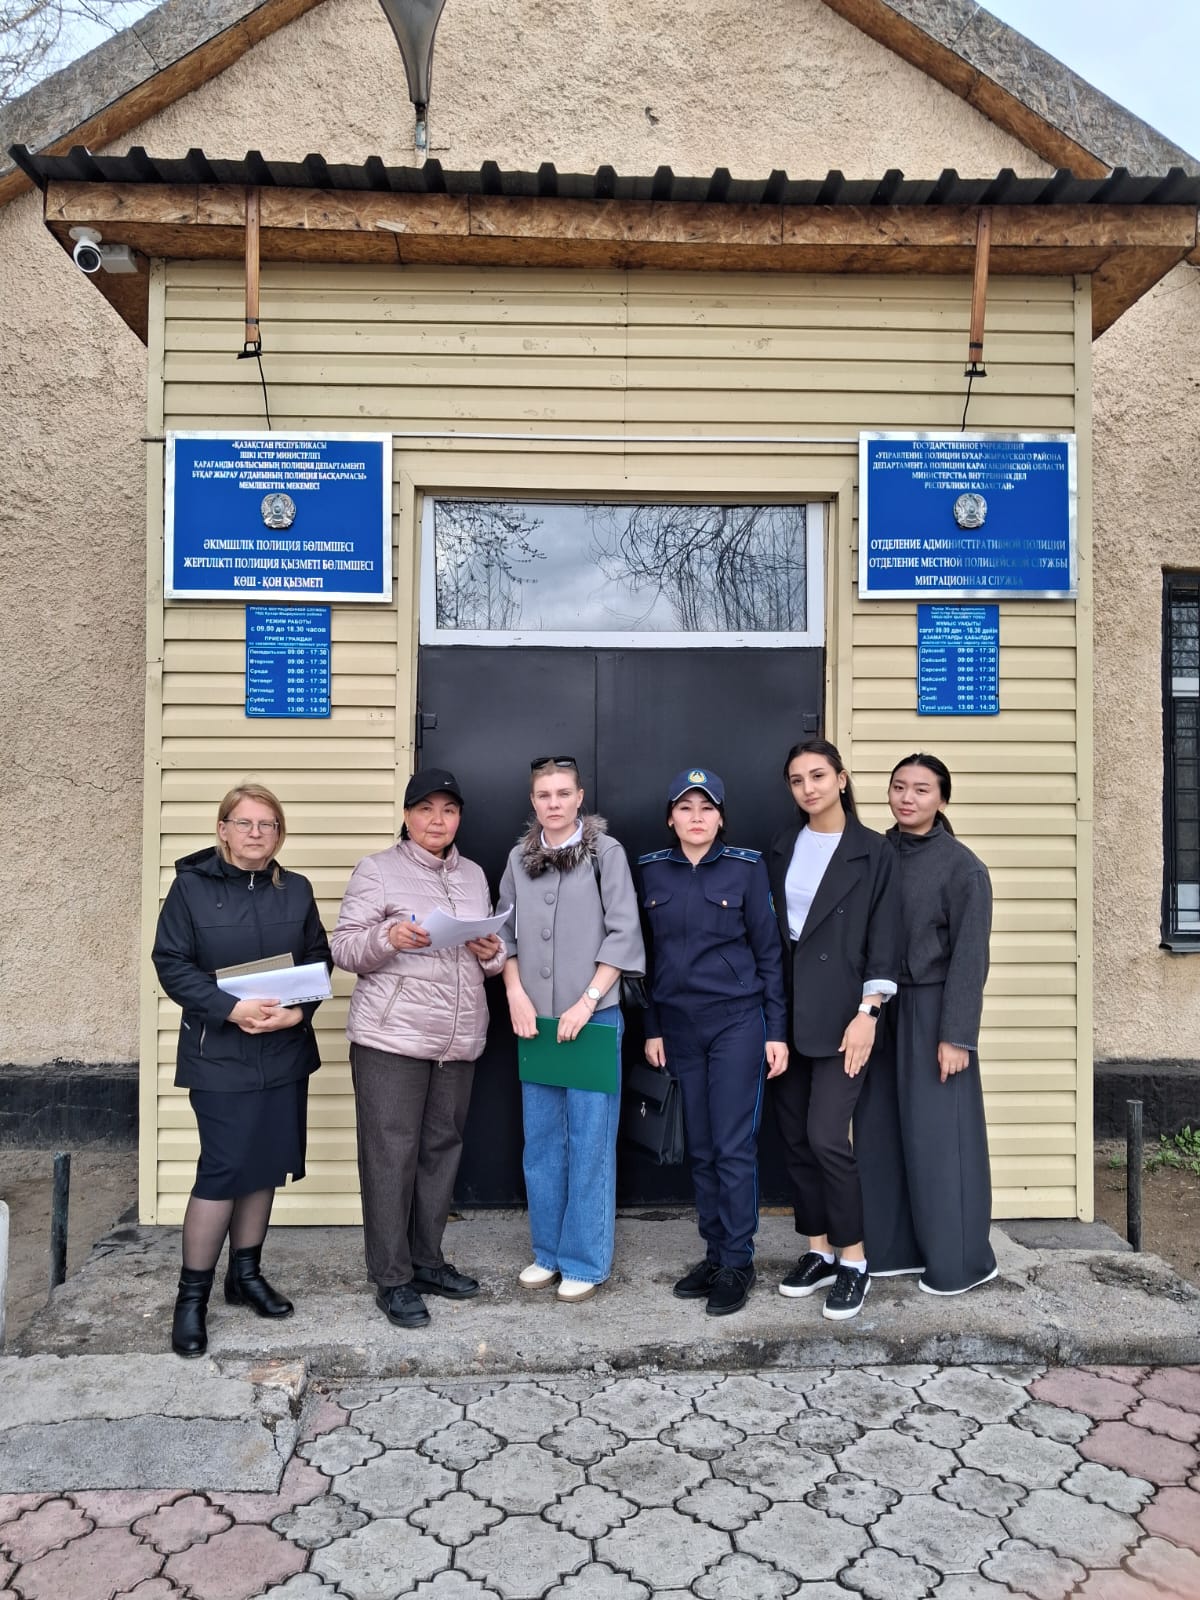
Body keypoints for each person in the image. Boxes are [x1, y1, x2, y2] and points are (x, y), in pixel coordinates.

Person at [152, 783, 331, 1358]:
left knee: (266, 1163)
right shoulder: (190, 889)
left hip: (283, 1052)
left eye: (267, 824)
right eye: (245, 823)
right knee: (223, 1168)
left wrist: (298, 1013)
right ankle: (191, 1299)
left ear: (279, 834)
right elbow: (171, 963)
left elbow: (318, 959)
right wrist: (231, 1009)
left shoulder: (296, 890)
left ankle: (245, 1275)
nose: (256, 833)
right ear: (223, 829)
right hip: (219, 1054)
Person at [331, 768, 507, 1329]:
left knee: (441, 1151)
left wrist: (492, 952)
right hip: (392, 1038)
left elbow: (496, 959)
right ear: (407, 816)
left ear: (459, 818)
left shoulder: (474, 874)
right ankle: (392, 1277)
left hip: (457, 1038)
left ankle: (427, 1261)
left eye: (448, 810)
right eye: (426, 809)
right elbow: (344, 948)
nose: (438, 820)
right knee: (390, 1155)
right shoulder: (378, 870)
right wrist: (388, 937)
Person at [639, 767, 789, 1316]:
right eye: (685, 808)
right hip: (679, 1026)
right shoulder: (651, 871)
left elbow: (770, 954)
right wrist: (652, 1026)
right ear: (671, 817)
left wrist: (777, 1031)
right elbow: (644, 957)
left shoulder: (746, 868)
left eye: (707, 808)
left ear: (721, 818)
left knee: (732, 1145)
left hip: (736, 1024)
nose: (696, 817)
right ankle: (714, 1252)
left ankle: (738, 1260)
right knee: (700, 1147)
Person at [498, 755, 645, 1303]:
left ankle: (584, 1259)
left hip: (593, 1018)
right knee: (541, 1141)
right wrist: (515, 994)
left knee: (589, 1141)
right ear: (533, 801)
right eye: (544, 795)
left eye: (563, 793)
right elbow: (502, 933)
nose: (554, 803)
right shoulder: (518, 858)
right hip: (534, 1022)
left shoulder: (607, 853)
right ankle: (548, 1252)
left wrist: (588, 1001)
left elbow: (624, 933)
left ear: (579, 798)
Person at [767, 738, 900, 1321]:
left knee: (827, 1137)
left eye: (818, 776)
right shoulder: (782, 847)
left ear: (841, 779)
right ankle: (819, 1250)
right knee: (796, 1138)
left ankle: (854, 1260)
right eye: (797, 780)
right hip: (788, 1013)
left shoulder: (874, 852)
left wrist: (869, 1012)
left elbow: (885, 938)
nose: (809, 788)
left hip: (846, 1017)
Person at [855, 753, 998, 1294]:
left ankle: (959, 1260)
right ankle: (892, 1249)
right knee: (880, 1130)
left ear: (942, 798)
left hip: (934, 1008)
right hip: (879, 1009)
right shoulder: (874, 853)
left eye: (920, 789)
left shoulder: (963, 868)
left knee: (940, 1137)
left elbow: (970, 958)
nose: (907, 798)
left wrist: (956, 1035)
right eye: (898, 787)